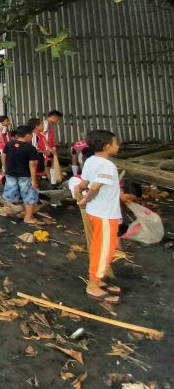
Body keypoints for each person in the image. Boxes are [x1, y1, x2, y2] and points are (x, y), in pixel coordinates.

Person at [72, 130, 122, 305]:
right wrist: (85, 199)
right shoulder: (107, 165)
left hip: (98, 211)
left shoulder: (90, 161)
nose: (118, 146)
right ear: (107, 145)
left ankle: (98, 278)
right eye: (116, 143)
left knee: (99, 247)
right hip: (105, 214)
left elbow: (84, 183)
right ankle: (93, 285)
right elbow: (94, 187)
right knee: (104, 250)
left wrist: (79, 191)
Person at [1, 125, 40, 224]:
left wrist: (5, 169)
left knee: (10, 193)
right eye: (31, 134)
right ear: (27, 135)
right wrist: (34, 180)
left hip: (10, 173)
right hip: (25, 175)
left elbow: (3, 156)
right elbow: (33, 164)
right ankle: (28, 218)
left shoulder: (9, 144)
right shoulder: (30, 148)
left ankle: (6, 212)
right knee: (29, 195)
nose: (32, 136)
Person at [43, 110, 63, 186]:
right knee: (47, 163)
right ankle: (51, 180)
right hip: (47, 148)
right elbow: (42, 136)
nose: (57, 121)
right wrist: (49, 147)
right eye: (58, 119)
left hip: (50, 147)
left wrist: (53, 146)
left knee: (51, 163)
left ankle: (52, 179)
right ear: (54, 117)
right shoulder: (46, 123)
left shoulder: (50, 124)